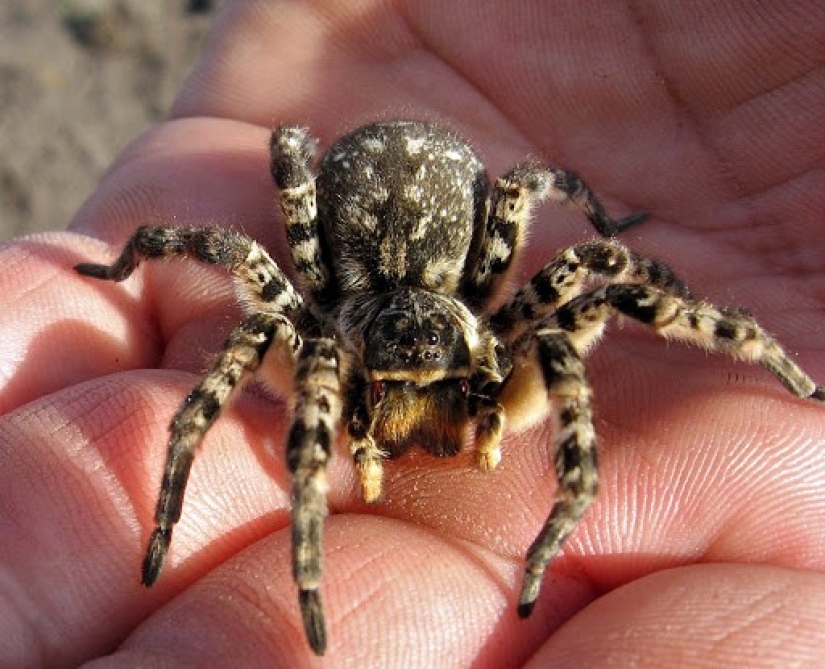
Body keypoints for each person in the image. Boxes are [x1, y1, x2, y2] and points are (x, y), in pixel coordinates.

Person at [1, 1, 823, 666]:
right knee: (241, 273)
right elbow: (234, 232)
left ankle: (760, 370)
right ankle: (283, 560)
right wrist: (130, 276)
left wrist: (560, 521)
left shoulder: (512, 332)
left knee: (591, 283)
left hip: (437, 256)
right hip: (351, 281)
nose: (421, 396)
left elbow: (591, 244)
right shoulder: (319, 340)